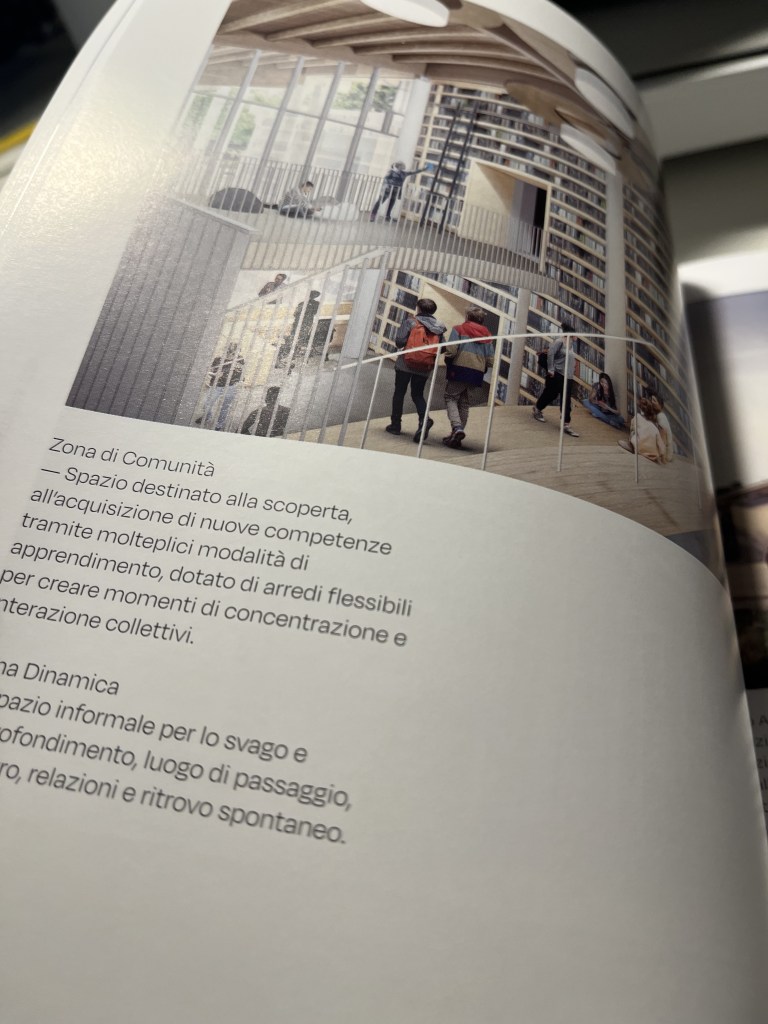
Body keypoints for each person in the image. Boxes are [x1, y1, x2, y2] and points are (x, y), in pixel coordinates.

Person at [387, 297, 446, 443]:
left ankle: (395, 425)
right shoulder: (439, 328)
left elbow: (399, 342)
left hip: (405, 364)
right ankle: (424, 420)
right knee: (418, 394)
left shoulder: (410, 322)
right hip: (424, 367)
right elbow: (443, 349)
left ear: (418, 308)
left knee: (399, 393)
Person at [441, 306, 495, 449]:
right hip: (477, 372)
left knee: (450, 397)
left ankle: (457, 427)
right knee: (464, 403)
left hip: (459, 368)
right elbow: (491, 360)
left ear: (468, 317)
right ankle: (456, 437)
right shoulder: (488, 336)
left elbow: (451, 351)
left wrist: (448, 362)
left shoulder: (459, 329)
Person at [531, 322, 579, 436]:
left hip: (568, 376)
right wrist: (551, 370)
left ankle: (566, 424)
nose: (577, 337)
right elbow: (551, 354)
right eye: (576, 334)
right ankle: (537, 409)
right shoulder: (559, 341)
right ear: (571, 334)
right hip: (557, 374)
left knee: (566, 400)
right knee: (551, 394)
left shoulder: (572, 345)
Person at [201, 343, 244, 431]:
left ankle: (219, 424)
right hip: (216, 385)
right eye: (230, 352)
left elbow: (241, 374)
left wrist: (238, 381)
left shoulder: (240, 360)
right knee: (206, 404)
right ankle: (207, 417)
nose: (232, 355)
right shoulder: (218, 359)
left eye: (235, 352)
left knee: (225, 407)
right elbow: (210, 370)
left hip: (231, 386)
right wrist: (214, 374)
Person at [618, 397, 665, 462]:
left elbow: (632, 428)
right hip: (652, 453)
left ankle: (631, 446)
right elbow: (661, 448)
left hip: (639, 448)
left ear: (640, 409)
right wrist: (661, 454)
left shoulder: (638, 416)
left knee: (633, 432)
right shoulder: (654, 427)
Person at [646, 389, 674, 462]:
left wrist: (662, 458)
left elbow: (663, 438)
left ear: (660, 405)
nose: (652, 402)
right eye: (651, 400)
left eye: (654, 400)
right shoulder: (659, 416)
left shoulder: (661, 417)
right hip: (665, 452)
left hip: (666, 454)